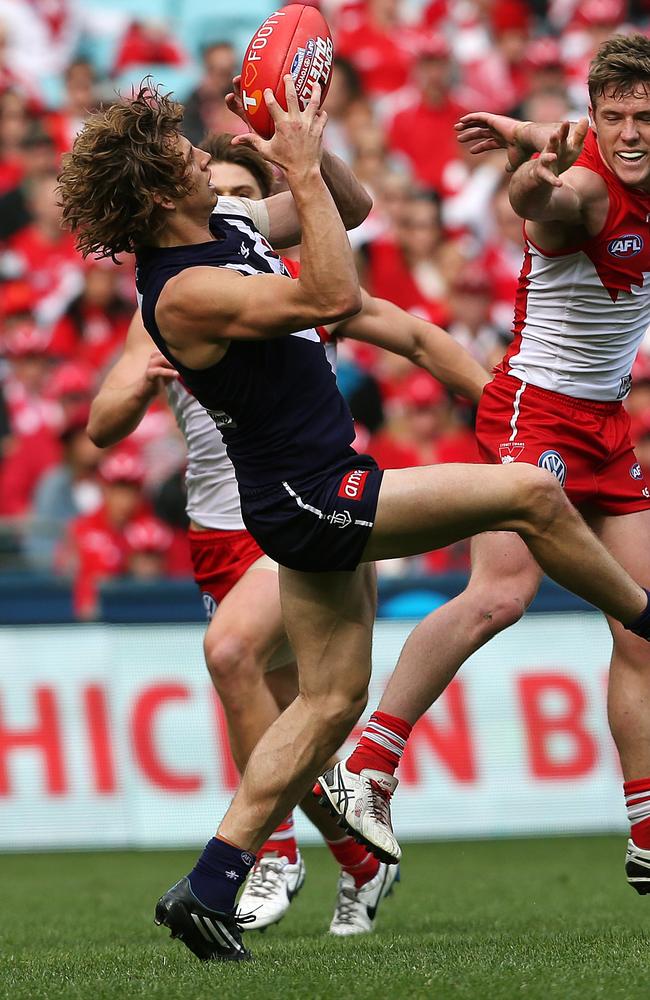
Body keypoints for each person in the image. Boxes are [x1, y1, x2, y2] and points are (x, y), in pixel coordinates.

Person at [58, 74, 650, 964]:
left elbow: (354, 207)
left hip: (316, 491)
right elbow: (332, 298)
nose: (204, 158)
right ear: (153, 195)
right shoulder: (179, 292)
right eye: (186, 157)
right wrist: (293, 170)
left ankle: (211, 881)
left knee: (330, 705)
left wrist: (306, 143)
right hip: (313, 500)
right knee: (530, 492)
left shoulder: (229, 228)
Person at [88, 131, 490, 936]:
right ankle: (351, 861)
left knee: (240, 661)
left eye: (235, 182)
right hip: (216, 534)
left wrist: (495, 408)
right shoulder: (177, 295)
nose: (221, 186)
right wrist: (139, 391)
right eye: (210, 176)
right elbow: (101, 422)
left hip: (287, 505)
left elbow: (380, 299)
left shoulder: (256, 253)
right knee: (306, 710)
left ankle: (264, 856)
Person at [317, 33, 650, 899]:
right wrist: (533, 165)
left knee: (641, 629)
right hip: (532, 408)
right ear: (592, 121)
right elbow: (541, 195)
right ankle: (370, 766)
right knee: (500, 595)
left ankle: (647, 830)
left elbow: (569, 140)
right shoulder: (579, 189)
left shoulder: (603, 144)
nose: (629, 133)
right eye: (612, 117)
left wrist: (520, 124)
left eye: (642, 115)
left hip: (609, 424)